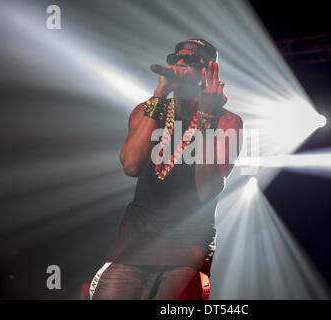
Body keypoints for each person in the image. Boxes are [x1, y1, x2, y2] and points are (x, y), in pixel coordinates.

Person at [90, 39, 243, 300]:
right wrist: (160, 94)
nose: (180, 64)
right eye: (175, 59)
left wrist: (207, 116)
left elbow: (207, 190)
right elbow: (130, 165)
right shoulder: (146, 111)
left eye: (190, 59)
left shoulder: (227, 121)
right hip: (133, 247)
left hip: (187, 252)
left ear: (209, 70)